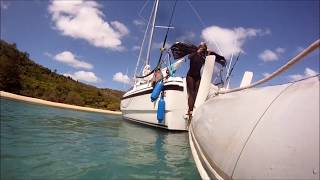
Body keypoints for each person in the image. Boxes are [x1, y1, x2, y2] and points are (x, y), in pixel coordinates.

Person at [186, 42, 225, 119]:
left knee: (196, 93)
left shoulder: (203, 57)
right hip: (190, 76)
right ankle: (190, 111)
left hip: (198, 76)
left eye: (203, 48)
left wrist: (209, 54)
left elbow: (209, 60)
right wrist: (198, 51)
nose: (202, 48)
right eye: (201, 47)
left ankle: (195, 108)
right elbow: (189, 57)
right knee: (192, 92)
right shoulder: (193, 54)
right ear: (199, 47)